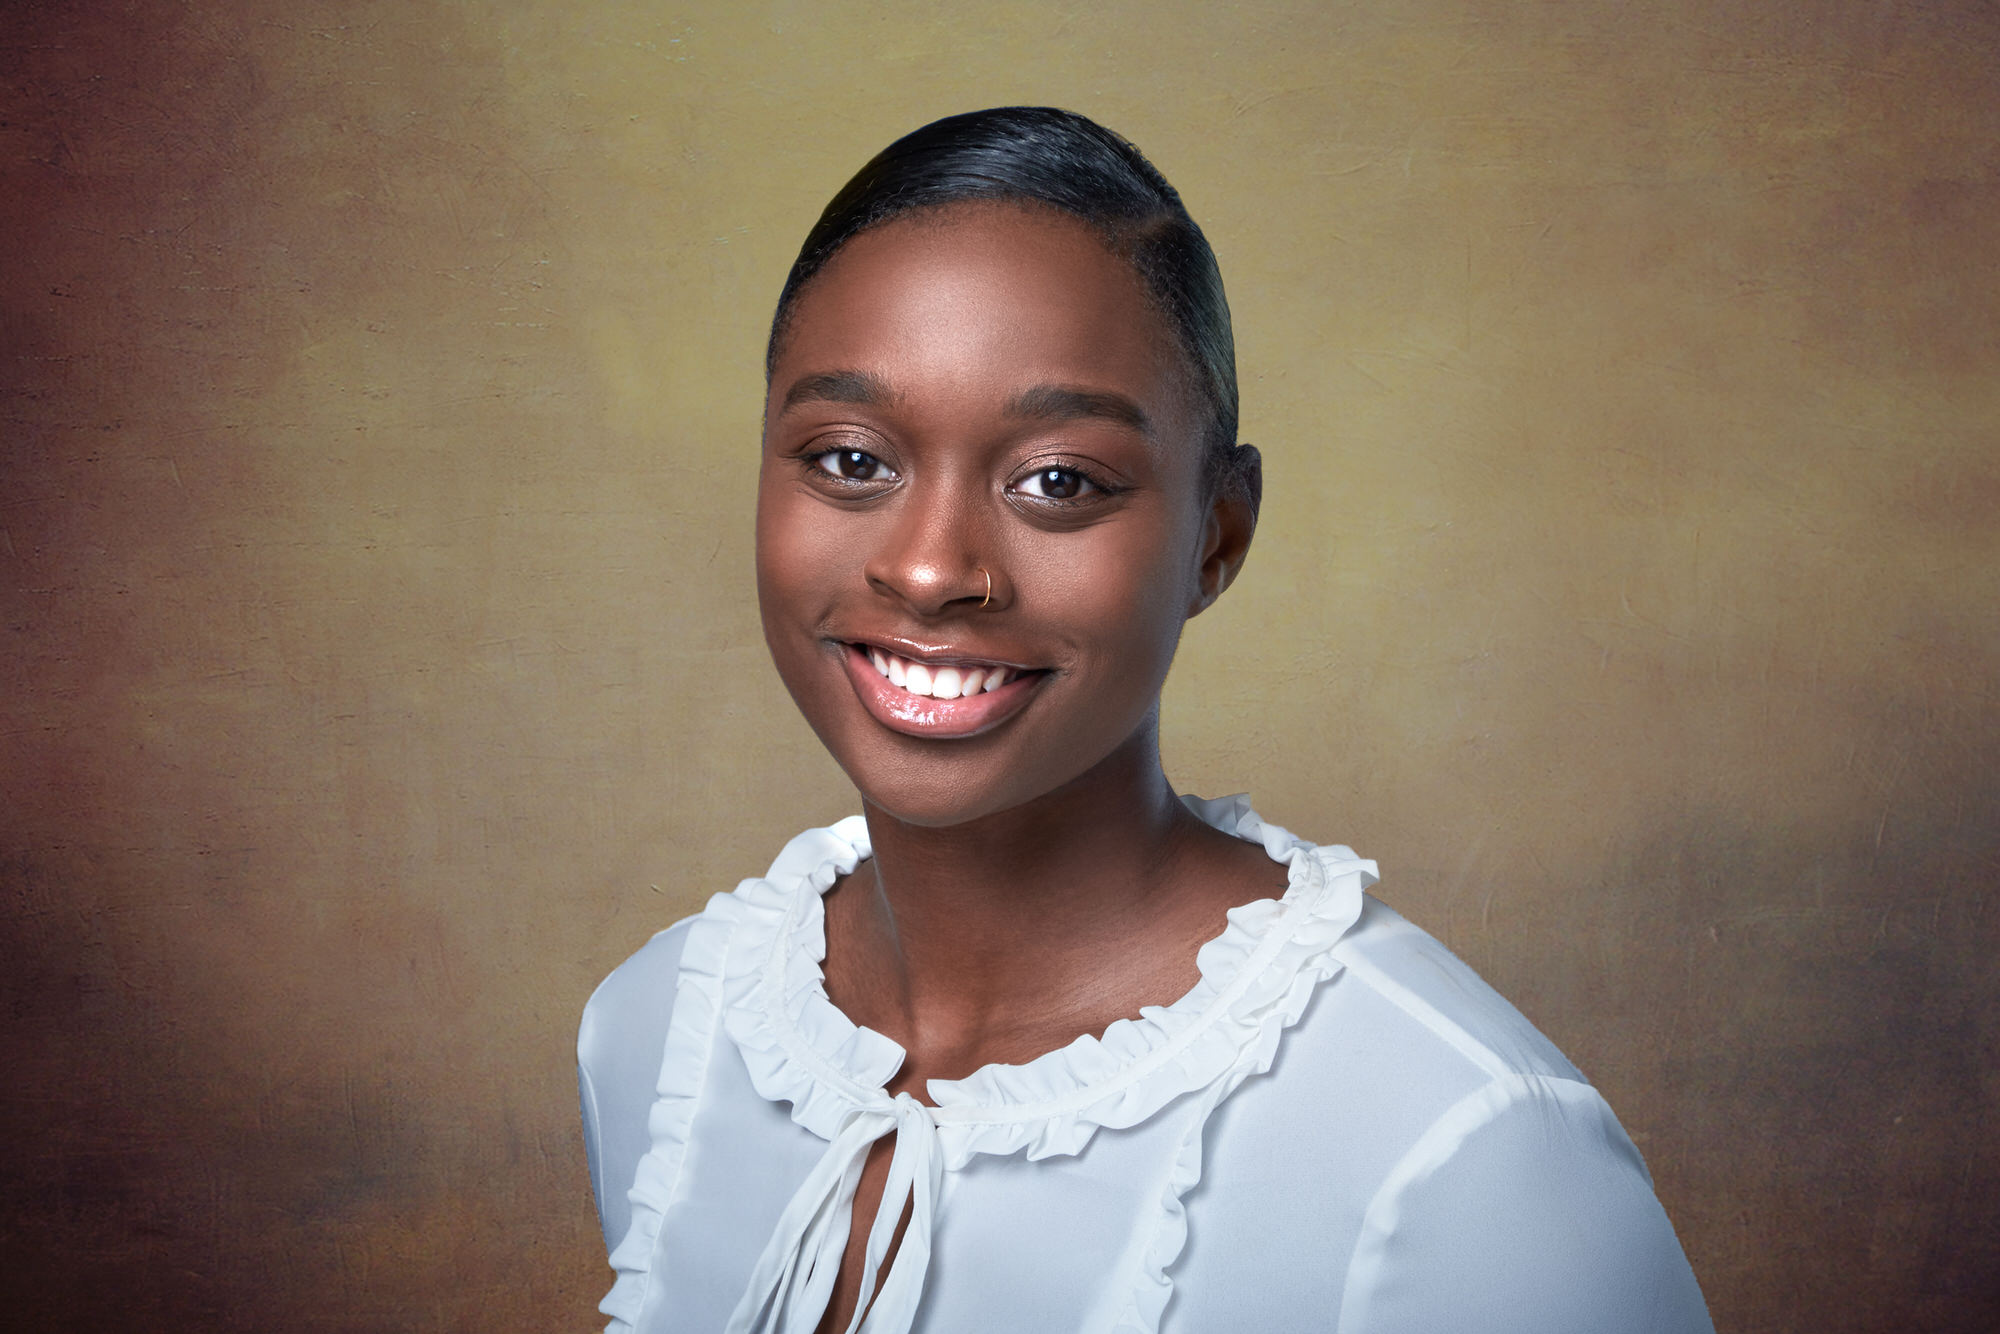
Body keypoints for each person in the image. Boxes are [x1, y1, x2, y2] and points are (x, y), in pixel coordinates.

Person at [577, 107, 1712, 1334]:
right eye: (850, 459)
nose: (927, 568)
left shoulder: (1458, 1155)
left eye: (1057, 481)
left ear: (1214, 535)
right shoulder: (660, 1038)